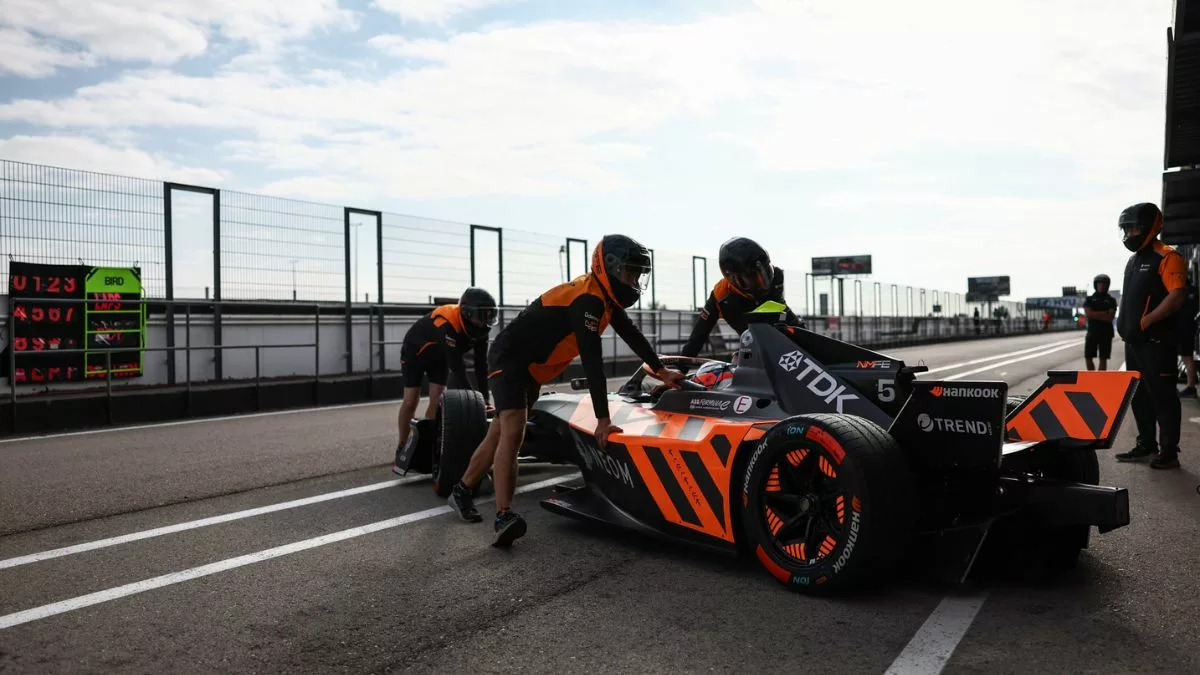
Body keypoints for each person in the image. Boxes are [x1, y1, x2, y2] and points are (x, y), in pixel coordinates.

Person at [446, 234, 686, 546]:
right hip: (510, 358)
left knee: (498, 435)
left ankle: (462, 491)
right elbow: (592, 363)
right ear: (609, 268)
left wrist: (662, 370)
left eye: (637, 274)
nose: (633, 280)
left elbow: (632, 335)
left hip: (531, 367)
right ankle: (504, 515)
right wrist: (602, 419)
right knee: (513, 432)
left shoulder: (604, 301)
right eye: (629, 272)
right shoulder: (588, 300)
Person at [392, 287, 498, 474]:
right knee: (410, 400)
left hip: (438, 357)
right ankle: (402, 445)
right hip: (414, 353)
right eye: (482, 315)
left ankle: (429, 445)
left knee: (437, 399)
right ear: (467, 312)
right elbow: (458, 369)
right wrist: (476, 402)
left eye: (490, 315)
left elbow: (481, 367)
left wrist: (485, 399)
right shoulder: (448, 324)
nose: (485, 321)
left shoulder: (481, 330)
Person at [1114, 203, 1187, 470]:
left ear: (1149, 228)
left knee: (1163, 396)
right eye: (1126, 229)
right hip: (1134, 343)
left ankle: (1169, 452)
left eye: (1134, 228)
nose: (1129, 234)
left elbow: (1177, 295)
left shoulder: (1167, 256)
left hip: (1157, 342)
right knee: (1140, 396)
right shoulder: (1133, 261)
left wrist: (1147, 321)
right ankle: (1146, 445)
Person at [680, 237, 802, 358]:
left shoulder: (777, 277)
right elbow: (698, 335)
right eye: (753, 278)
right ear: (734, 279)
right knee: (739, 361)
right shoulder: (721, 294)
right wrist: (680, 369)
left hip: (779, 339)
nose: (763, 283)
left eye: (766, 272)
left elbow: (786, 314)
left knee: (806, 336)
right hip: (751, 348)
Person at [1082, 273, 1117, 370]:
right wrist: (1105, 312)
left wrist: (1095, 314)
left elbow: (1110, 318)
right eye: (1099, 283)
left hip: (1106, 333)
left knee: (1103, 358)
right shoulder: (1089, 299)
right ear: (1095, 285)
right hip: (1092, 332)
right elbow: (1088, 314)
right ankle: (1092, 378)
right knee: (1088, 357)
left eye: (1104, 284)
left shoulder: (1111, 300)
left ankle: (1100, 380)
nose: (1102, 286)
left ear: (1107, 285)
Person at [1178, 274, 1198, 398]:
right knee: (1188, 356)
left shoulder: (1181, 291)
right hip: (1192, 327)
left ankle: (1191, 386)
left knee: (1186, 356)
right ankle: (1191, 384)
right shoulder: (1195, 290)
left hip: (1183, 328)